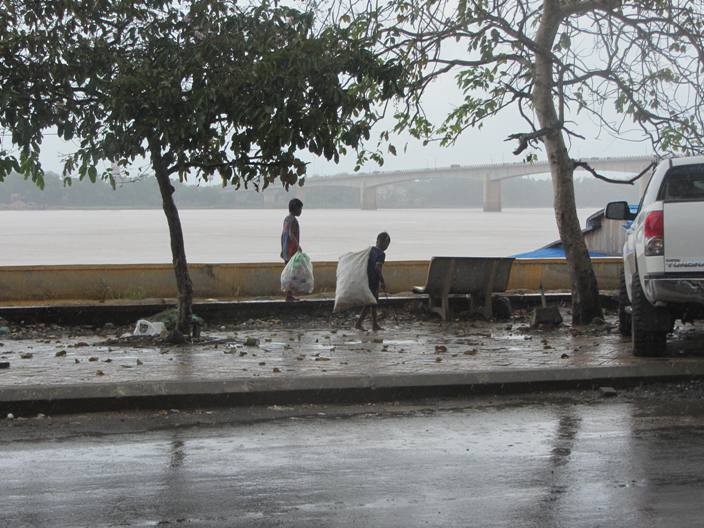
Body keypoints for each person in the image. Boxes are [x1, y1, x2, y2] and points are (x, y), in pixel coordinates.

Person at [355, 232, 391, 331]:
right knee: (370, 302)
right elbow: (378, 268)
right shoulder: (381, 254)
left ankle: (374, 324)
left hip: (367, 278)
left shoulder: (371, 250)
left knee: (373, 302)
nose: (386, 246)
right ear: (384, 243)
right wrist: (382, 281)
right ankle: (358, 323)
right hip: (373, 281)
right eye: (387, 244)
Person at [281, 198, 303, 301]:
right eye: (300, 209)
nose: (301, 211)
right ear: (295, 208)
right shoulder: (293, 220)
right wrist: (298, 246)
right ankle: (289, 295)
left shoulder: (286, 219)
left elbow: (283, 235)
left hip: (286, 250)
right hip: (291, 250)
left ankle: (288, 294)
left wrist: (282, 248)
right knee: (291, 273)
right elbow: (290, 234)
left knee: (288, 272)